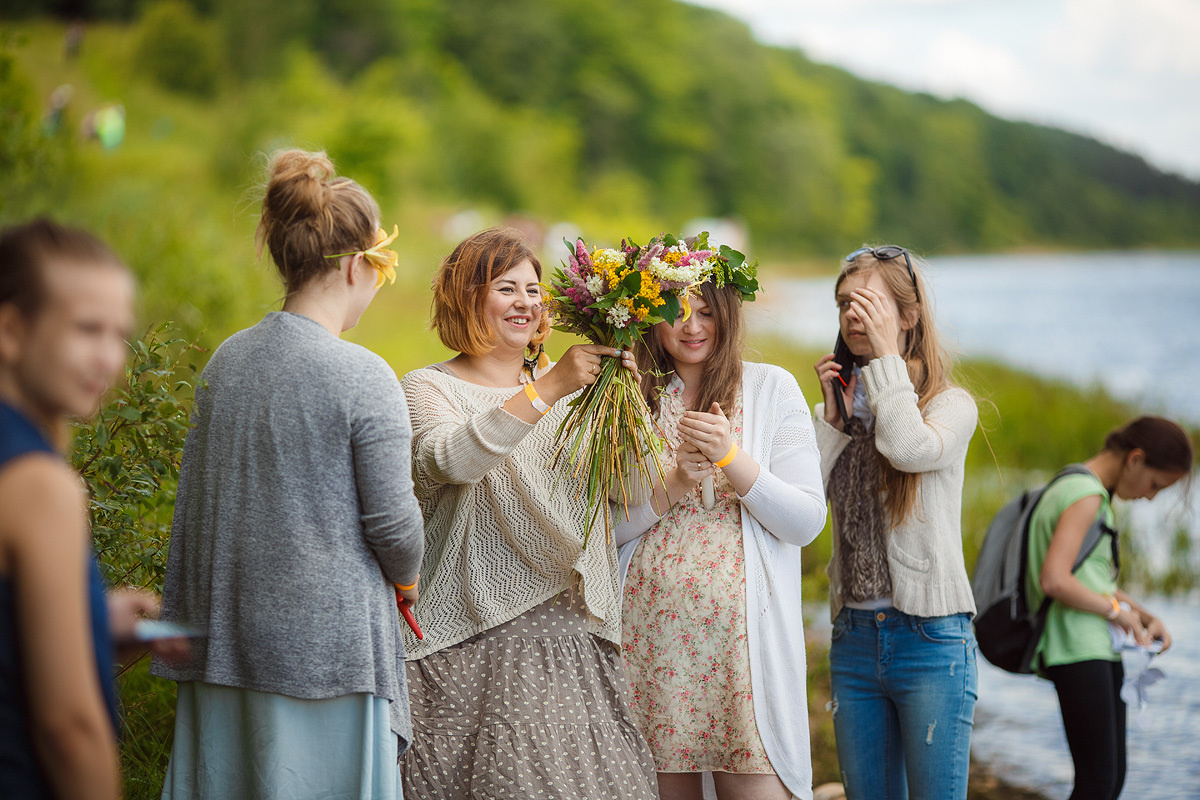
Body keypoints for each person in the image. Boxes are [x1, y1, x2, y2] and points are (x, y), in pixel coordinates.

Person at [153, 150, 425, 798]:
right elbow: (395, 527)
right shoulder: (364, 375)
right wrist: (408, 579)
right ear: (359, 265)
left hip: (223, 641)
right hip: (324, 658)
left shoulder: (227, 359)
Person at [399, 226, 659, 799]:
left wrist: (627, 408)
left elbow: (635, 489)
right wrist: (551, 385)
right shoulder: (426, 388)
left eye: (534, 291)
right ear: (468, 298)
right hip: (469, 639)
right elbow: (451, 460)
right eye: (506, 289)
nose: (525, 303)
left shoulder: (577, 394)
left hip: (569, 636)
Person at [616, 275, 828, 800]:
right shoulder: (630, 397)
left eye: (706, 312)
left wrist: (732, 459)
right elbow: (601, 535)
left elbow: (805, 521)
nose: (692, 326)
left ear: (728, 314)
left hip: (742, 653)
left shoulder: (768, 388)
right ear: (649, 315)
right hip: (647, 644)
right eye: (676, 310)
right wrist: (677, 483)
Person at [0, 218, 184, 799]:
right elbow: (70, 727)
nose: (109, 358)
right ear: (11, 328)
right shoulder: (39, 485)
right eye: (86, 330)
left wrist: (89, 622)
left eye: (117, 335)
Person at [812, 245, 978, 800]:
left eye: (870, 305)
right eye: (843, 305)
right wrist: (832, 423)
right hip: (854, 639)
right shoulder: (834, 411)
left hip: (930, 637)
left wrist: (884, 360)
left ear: (908, 316)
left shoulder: (951, 406)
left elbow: (907, 447)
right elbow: (804, 508)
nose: (854, 316)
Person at [1027, 416, 1191, 800]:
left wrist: (1142, 614)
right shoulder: (1087, 495)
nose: (1151, 496)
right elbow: (1054, 579)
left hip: (1089, 646)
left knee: (1107, 782)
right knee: (1098, 785)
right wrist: (1117, 613)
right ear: (1135, 459)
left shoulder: (1077, 484)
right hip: (1077, 647)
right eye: (1155, 485)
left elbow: (1088, 580)